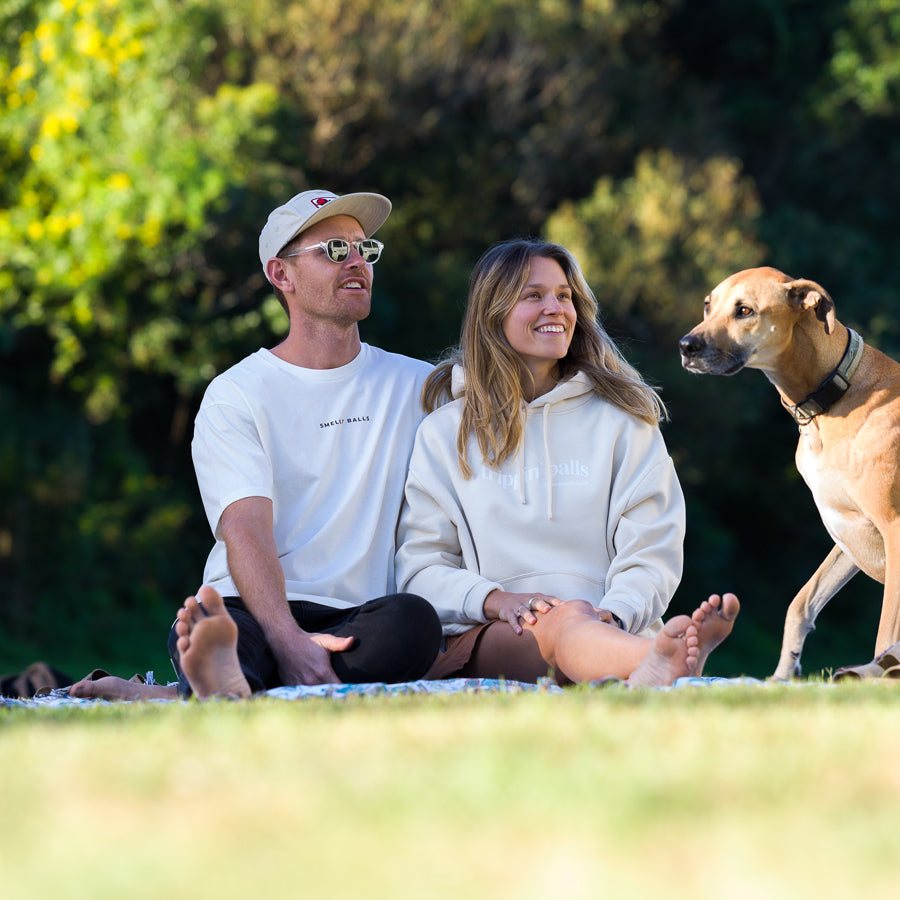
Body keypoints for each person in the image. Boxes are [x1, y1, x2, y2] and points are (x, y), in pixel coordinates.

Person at [71, 189, 442, 701]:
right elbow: (245, 526)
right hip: (251, 607)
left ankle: (188, 695)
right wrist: (288, 639)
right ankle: (231, 672)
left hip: (359, 615)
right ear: (281, 274)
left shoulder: (422, 386)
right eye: (335, 250)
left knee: (414, 621)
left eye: (365, 249)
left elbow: (513, 398)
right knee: (219, 634)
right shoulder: (236, 394)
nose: (357, 261)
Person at [394, 238, 739, 686]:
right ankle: (657, 659)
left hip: (611, 625)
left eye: (564, 295)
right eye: (533, 295)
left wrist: (614, 614)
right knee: (565, 620)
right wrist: (498, 600)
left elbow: (652, 548)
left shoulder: (623, 421)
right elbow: (420, 569)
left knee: (577, 619)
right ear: (491, 312)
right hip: (495, 634)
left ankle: (635, 658)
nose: (556, 307)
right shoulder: (446, 432)